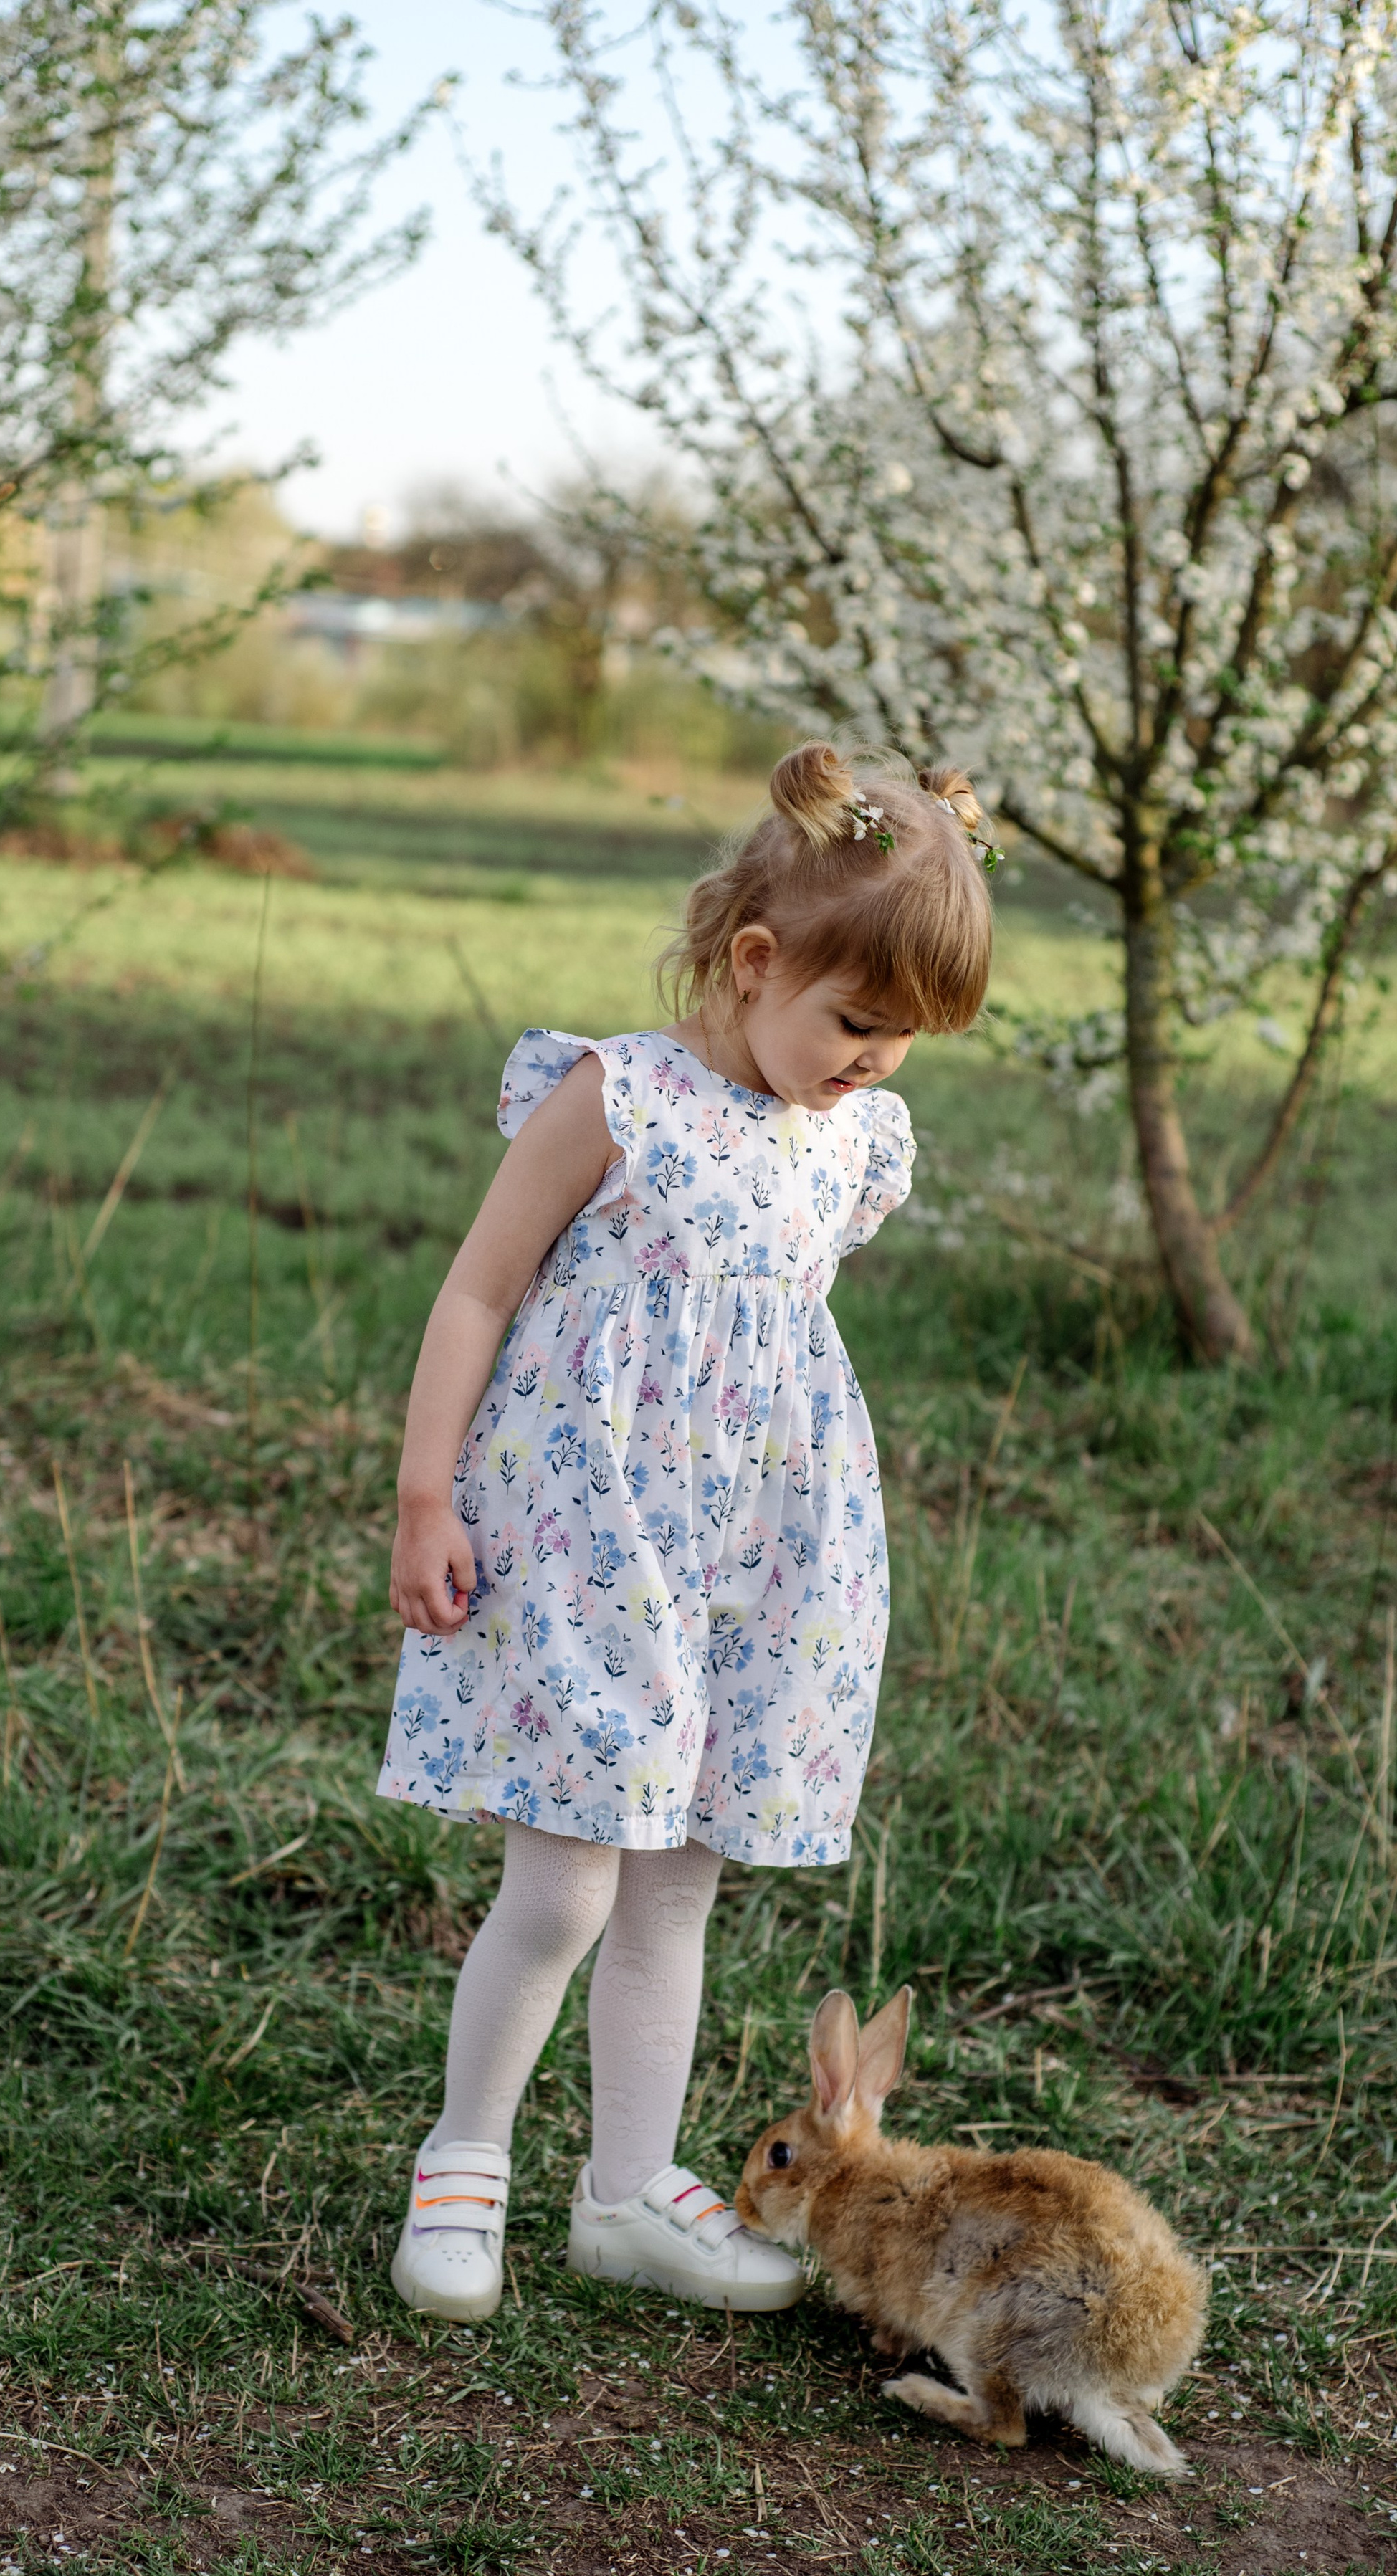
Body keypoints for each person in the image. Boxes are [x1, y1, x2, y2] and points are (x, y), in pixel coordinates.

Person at [378, 740, 996, 2321]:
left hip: (761, 1553)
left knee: (678, 1883)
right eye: (851, 1023)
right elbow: (479, 1286)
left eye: (902, 1041)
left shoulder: (850, 1139)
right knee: (571, 1881)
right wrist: (425, 1489)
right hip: (595, 1538)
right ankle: (463, 2163)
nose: (871, 1063)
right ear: (752, 960)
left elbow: (765, 1347)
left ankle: (627, 2192)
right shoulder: (617, 1096)